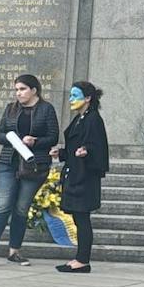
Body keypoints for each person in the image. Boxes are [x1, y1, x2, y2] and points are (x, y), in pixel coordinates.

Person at [0, 73, 58, 266]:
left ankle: (14, 251)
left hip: (33, 164)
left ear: (34, 90)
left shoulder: (46, 109)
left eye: (22, 89)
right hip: (8, 162)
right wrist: (13, 139)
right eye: (16, 90)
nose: (18, 93)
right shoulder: (11, 109)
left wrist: (35, 141)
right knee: (2, 206)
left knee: (21, 208)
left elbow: (53, 137)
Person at [54, 81, 109, 274]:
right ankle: (80, 257)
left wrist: (87, 152)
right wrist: (62, 153)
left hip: (85, 177)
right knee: (79, 218)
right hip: (76, 173)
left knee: (82, 218)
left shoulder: (93, 119)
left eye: (75, 96)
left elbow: (98, 148)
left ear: (87, 98)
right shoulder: (81, 118)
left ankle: (83, 260)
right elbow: (74, 145)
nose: (71, 99)